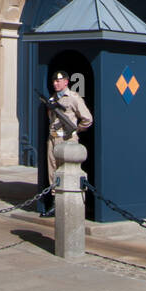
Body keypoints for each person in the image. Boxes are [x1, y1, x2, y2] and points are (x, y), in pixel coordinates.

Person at [44, 70, 92, 214]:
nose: (55, 83)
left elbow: (87, 119)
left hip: (67, 139)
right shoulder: (52, 99)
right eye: (54, 81)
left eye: (59, 81)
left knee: (69, 171)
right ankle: (55, 202)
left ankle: (75, 202)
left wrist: (76, 130)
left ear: (66, 82)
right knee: (52, 170)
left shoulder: (73, 98)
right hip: (53, 138)